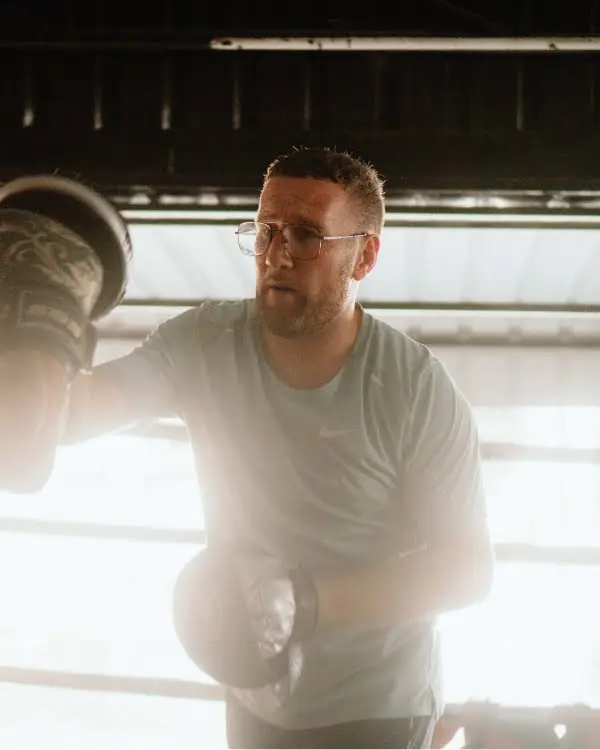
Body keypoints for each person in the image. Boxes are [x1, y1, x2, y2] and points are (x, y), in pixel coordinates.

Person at [1, 146, 494, 748]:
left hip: (379, 710)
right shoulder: (204, 342)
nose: (277, 255)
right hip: (254, 697)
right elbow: (58, 420)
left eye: (307, 235)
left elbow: (467, 569)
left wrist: (306, 602)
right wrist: (39, 320)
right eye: (266, 230)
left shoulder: (414, 388)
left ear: (363, 255)